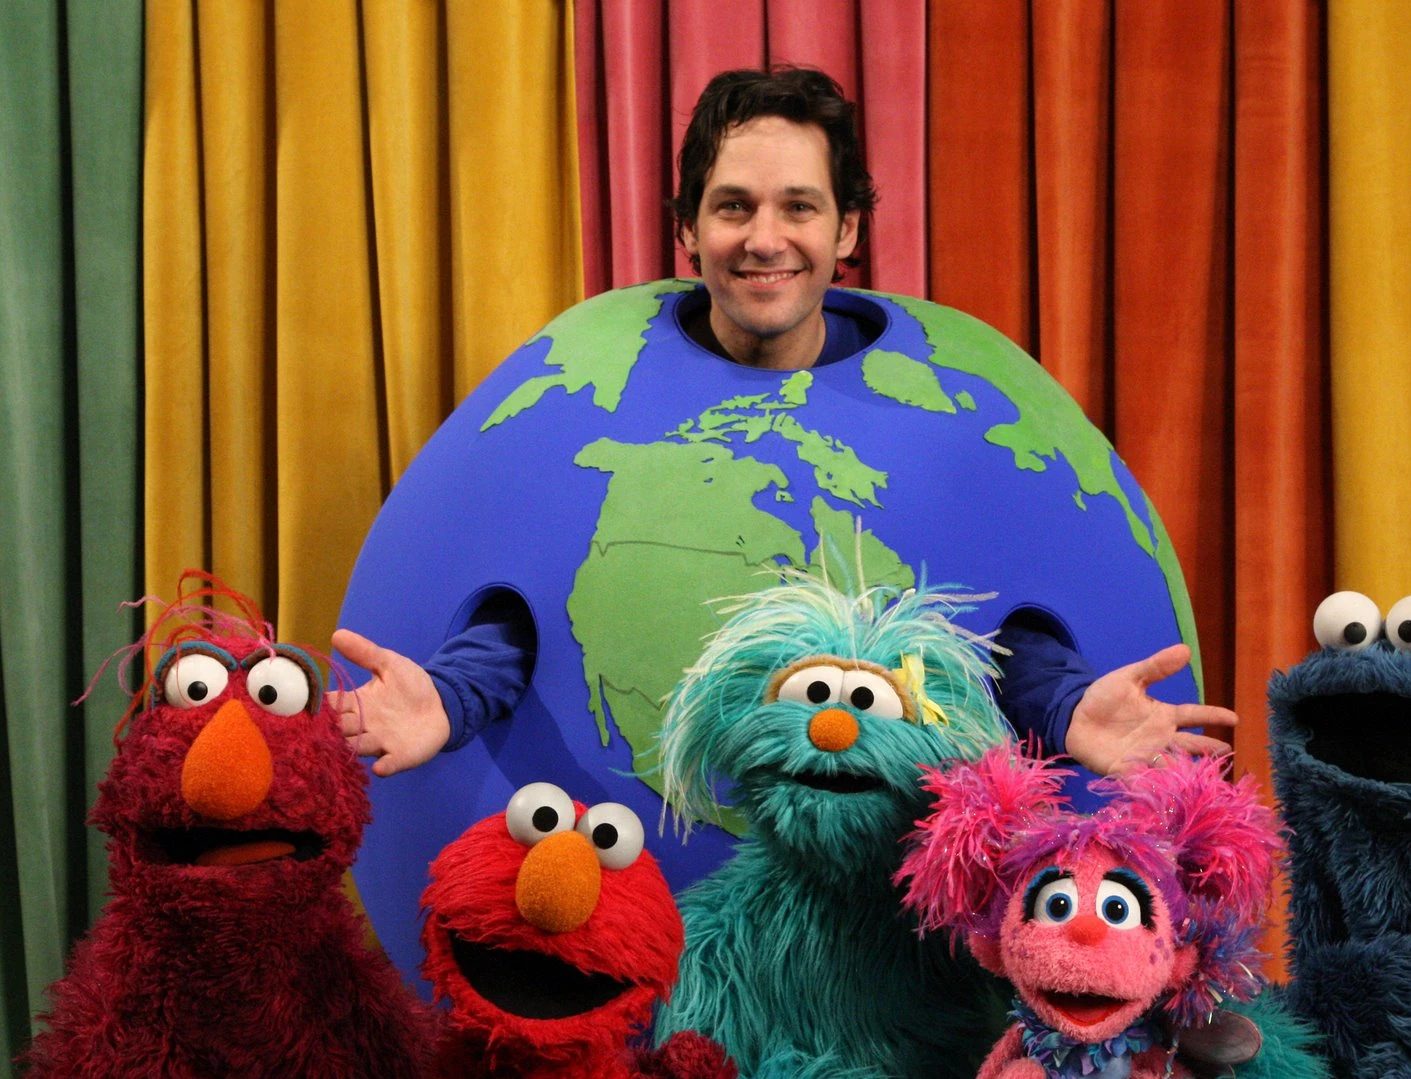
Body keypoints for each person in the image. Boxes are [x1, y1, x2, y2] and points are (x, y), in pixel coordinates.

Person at [329, 66, 1235, 783]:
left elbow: (980, 617)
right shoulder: (599, 403)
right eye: (734, 206)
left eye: (799, 206)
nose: (765, 239)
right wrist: (448, 698)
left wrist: (1068, 710)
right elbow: (547, 602)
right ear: (688, 228)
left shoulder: (934, 413)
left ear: (847, 231)